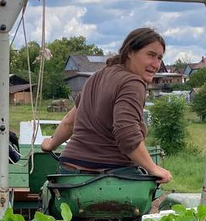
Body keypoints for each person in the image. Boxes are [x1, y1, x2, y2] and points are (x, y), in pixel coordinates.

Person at [40, 27, 172, 184]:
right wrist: (153, 168)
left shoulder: (97, 76)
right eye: (150, 55)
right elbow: (126, 132)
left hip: (68, 172)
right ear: (130, 52)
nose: (156, 64)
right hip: (107, 175)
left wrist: (51, 144)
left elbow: (70, 120)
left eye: (159, 58)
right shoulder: (133, 83)